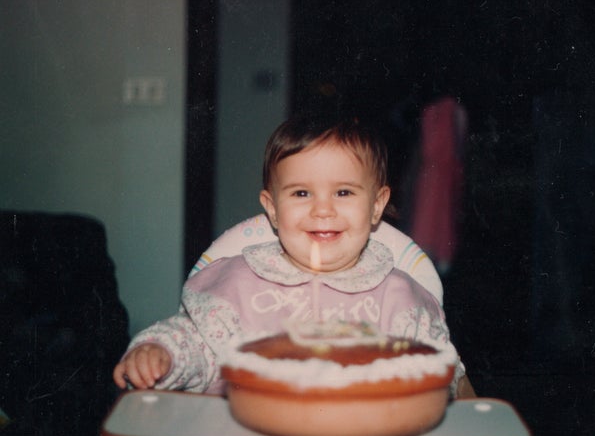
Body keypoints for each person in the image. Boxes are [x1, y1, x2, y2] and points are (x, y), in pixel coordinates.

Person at [113, 114, 475, 398]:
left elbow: (442, 372)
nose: (323, 210)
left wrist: (454, 389)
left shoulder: (401, 299)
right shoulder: (237, 286)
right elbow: (196, 344)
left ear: (377, 205)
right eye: (301, 193)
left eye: (344, 192)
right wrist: (160, 354)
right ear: (272, 209)